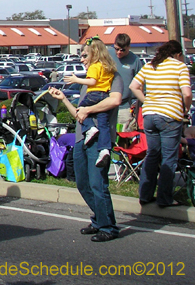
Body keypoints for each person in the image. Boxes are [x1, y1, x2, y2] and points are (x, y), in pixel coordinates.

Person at [49, 51, 122, 242]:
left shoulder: (112, 76)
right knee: (82, 183)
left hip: (100, 140)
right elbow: (79, 114)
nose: (81, 59)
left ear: (96, 55)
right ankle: (99, 220)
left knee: (98, 184)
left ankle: (108, 227)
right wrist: (63, 98)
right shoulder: (87, 83)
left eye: (85, 55)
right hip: (82, 138)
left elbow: (115, 100)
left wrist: (89, 109)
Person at [129, 39, 192, 208]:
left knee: (152, 154)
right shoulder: (180, 67)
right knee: (169, 158)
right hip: (170, 115)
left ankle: (145, 194)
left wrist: (147, 101)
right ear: (178, 54)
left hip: (149, 115)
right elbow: (186, 93)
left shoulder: (151, 65)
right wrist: (185, 109)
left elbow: (133, 86)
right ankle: (165, 197)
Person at [64, 37, 118, 168]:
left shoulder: (95, 66)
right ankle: (104, 150)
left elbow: (92, 82)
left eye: (85, 55)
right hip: (104, 95)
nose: (82, 59)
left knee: (81, 108)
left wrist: (76, 79)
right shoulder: (108, 67)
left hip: (94, 94)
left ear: (94, 53)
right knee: (103, 124)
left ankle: (89, 128)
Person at [108, 33, 144, 128]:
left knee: (123, 137)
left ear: (129, 47)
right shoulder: (108, 55)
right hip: (106, 103)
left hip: (124, 107)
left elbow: (141, 85)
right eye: (116, 49)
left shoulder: (135, 61)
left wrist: (135, 105)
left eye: (122, 50)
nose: (119, 52)